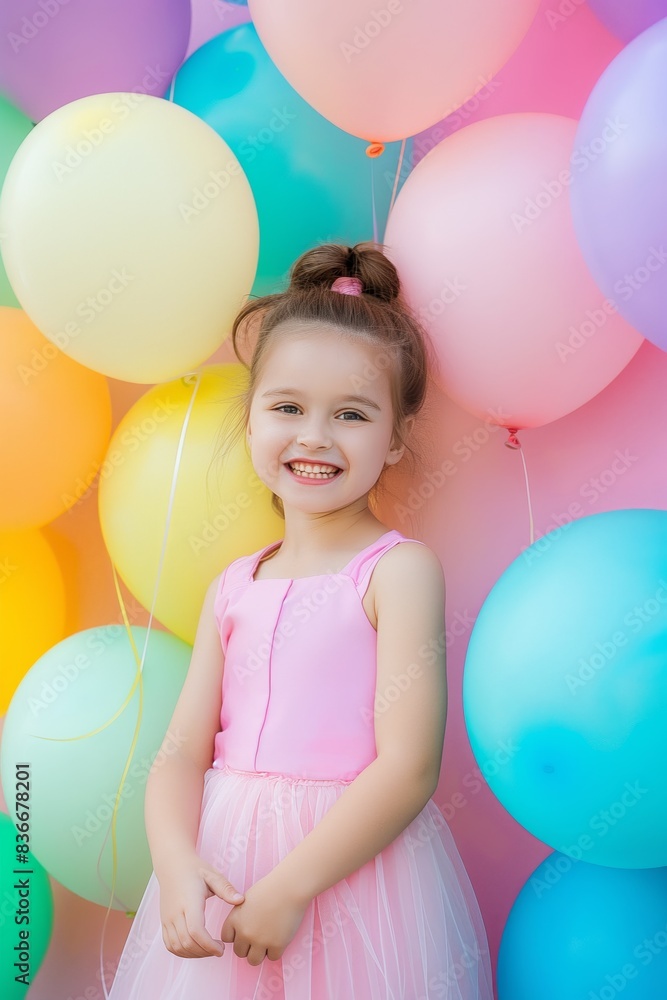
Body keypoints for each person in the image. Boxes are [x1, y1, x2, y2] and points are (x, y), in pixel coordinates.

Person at [107, 242, 494, 999]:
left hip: (348, 878)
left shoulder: (395, 572)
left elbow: (406, 767)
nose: (313, 437)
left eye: (350, 414)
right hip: (226, 866)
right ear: (250, 421)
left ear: (393, 442)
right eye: (287, 407)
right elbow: (180, 756)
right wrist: (178, 866)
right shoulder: (233, 586)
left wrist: (290, 888)